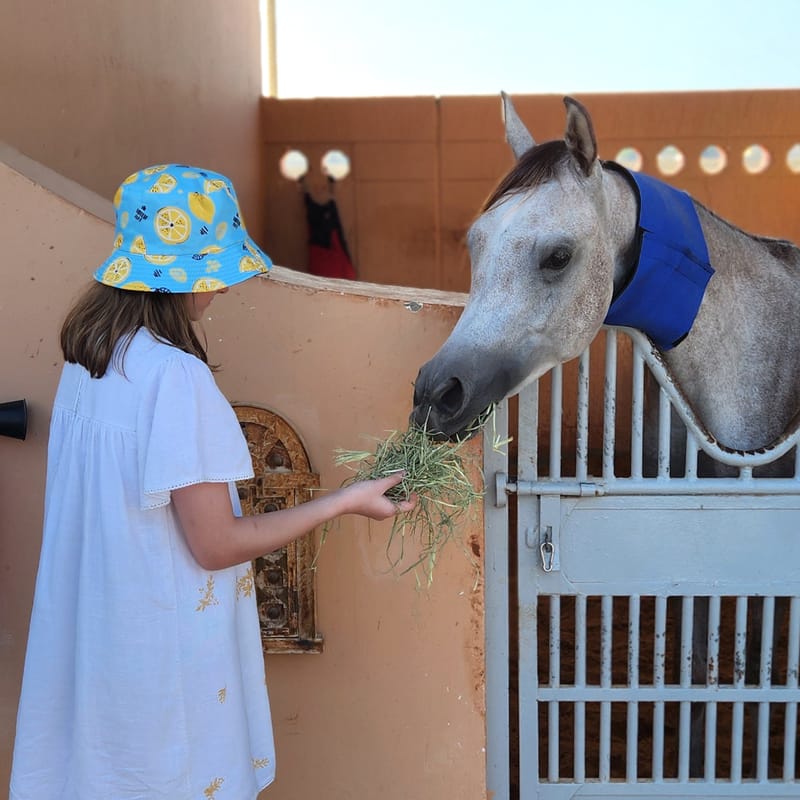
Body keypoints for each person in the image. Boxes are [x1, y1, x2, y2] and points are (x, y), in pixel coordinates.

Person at [10, 164, 416, 800]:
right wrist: (342, 501)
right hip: (161, 668)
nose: (221, 288)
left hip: (99, 653)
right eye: (214, 270)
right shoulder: (174, 378)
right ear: (183, 275)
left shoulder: (86, 362)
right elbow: (214, 543)